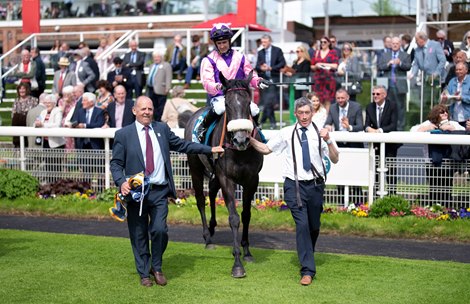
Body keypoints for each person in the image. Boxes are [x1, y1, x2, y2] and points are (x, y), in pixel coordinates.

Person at [110, 96, 224, 287]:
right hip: (136, 193)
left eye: (150, 108)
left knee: (160, 230)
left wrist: (210, 149)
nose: (147, 112)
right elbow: (116, 163)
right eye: (143, 109)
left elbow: (183, 145)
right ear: (134, 111)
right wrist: (121, 182)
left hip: (159, 191)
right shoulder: (124, 134)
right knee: (138, 234)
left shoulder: (162, 129)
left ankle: (157, 266)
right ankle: (144, 273)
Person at [249, 97, 339, 286]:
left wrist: (329, 141)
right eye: (301, 113)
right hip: (294, 186)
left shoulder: (320, 132)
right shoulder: (286, 133)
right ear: (295, 114)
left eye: (307, 113)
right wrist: (247, 139)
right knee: (302, 225)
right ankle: (307, 270)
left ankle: (307, 254)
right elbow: (265, 149)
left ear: (312, 113)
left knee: (314, 226)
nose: (304, 116)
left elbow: (335, 158)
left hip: (315, 186)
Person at [195, 23, 269, 143]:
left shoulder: (240, 57)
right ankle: (202, 129)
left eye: (224, 42)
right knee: (219, 109)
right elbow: (207, 82)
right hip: (220, 97)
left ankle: (258, 131)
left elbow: (250, 74)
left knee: (255, 109)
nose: (222, 45)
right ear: (215, 44)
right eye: (219, 43)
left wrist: (259, 81)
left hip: (239, 96)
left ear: (229, 41)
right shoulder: (208, 60)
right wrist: (217, 86)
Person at [364, 85, 400, 194]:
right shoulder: (370, 107)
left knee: (390, 169)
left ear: (384, 95)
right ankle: (374, 192)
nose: (375, 96)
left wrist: (378, 131)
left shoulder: (392, 106)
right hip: (375, 145)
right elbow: (366, 124)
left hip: (390, 144)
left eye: (377, 94)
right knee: (374, 168)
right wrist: (368, 128)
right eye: (373, 94)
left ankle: (392, 193)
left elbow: (393, 125)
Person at [377, 36, 412, 131]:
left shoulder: (405, 55)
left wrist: (400, 63)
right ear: (390, 44)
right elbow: (380, 66)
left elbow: (408, 66)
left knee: (400, 108)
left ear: (400, 44)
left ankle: (400, 128)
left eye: (397, 43)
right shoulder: (385, 55)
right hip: (387, 86)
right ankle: (389, 128)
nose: (395, 45)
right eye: (393, 43)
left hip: (399, 86)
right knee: (387, 108)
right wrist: (388, 64)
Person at [409, 31, 447, 115]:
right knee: (427, 101)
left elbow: (442, 60)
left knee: (436, 100)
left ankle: (438, 118)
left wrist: (436, 73)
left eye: (416, 40)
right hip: (426, 80)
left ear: (422, 39)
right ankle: (429, 118)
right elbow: (416, 64)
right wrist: (412, 74)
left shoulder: (435, 45)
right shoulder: (417, 50)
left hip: (438, 79)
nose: (415, 42)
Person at [256, 34, 286, 129]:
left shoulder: (277, 50)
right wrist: (261, 68)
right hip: (264, 79)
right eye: (262, 42)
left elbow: (282, 63)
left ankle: (266, 122)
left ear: (269, 41)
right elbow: (257, 66)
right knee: (267, 102)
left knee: (268, 101)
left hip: (274, 79)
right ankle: (266, 122)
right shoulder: (260, 52)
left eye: (265, 42)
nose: (263, 44)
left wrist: (271, 68)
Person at [310, 36, 339, 112]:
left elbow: (335, 65)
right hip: (318, 79)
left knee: (327, 100)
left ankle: (326, 119)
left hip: (329, 79)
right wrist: (316, 66)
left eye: (325, 42)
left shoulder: (333, 52)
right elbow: (312, 66)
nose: (323, 43)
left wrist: (323, 64)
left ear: (328, 43)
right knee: (317, 99)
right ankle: (318, 118)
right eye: (321, 42)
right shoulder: (316, 52)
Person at [441, 62, 470, 127]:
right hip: (454, 117)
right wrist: (447, 97)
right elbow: (447, 95)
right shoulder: (452, 81)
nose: (458, 71)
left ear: (466, 70)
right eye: (456, 70)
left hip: (468, 118)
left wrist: (461, 98)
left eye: (460, 69)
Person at [146, 51, 173, 122]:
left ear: (161, 57)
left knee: (161, 106)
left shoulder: (166, 65)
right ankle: (154, 119)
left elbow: (168, 77)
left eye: (157, 57)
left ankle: (159, 120)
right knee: (153, 106)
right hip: (151, 88)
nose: (156, 59)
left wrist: (168, 88)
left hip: (161, 89)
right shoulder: (152, 65)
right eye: (154, 57)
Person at [11, 83, 38, 148]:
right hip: (18, 127)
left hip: (29, 126)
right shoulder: (16, 101)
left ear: (27, 90)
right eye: (20, 89)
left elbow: (35, 114)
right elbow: (13, 115)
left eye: (23, 89)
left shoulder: (34, 100)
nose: (21, 90)